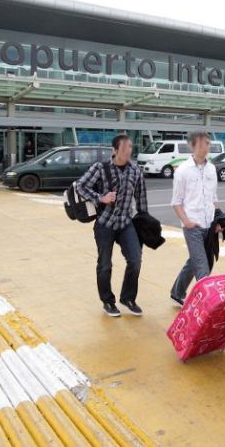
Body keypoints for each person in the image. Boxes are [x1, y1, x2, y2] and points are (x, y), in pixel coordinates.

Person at [76, 134, 149, 317]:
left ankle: (128, 298)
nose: (128, 152)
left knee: (135, 260)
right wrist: (100, 198)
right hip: (105, 223)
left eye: (130, 148)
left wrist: (144, 219)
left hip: (126, 223)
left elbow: (141, 197)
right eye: (124, 149)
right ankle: (108, 301)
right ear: (114, 150)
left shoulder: (135, 170)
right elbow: (80, 186)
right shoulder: (101, 168)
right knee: (105, 265)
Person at [169, 131, 224, 306]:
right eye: (202, 144)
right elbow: (176, 202)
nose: (206, 147)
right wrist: (186, 222)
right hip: (192, 225)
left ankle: (177, 292)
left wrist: (219, 220)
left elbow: (214, 197)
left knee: (194, 260)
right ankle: (208, 307)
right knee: (202, 267)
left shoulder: (212, 168)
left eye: (208, 143)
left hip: (209, 225)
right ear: (192, 146)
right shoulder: (183, 170)